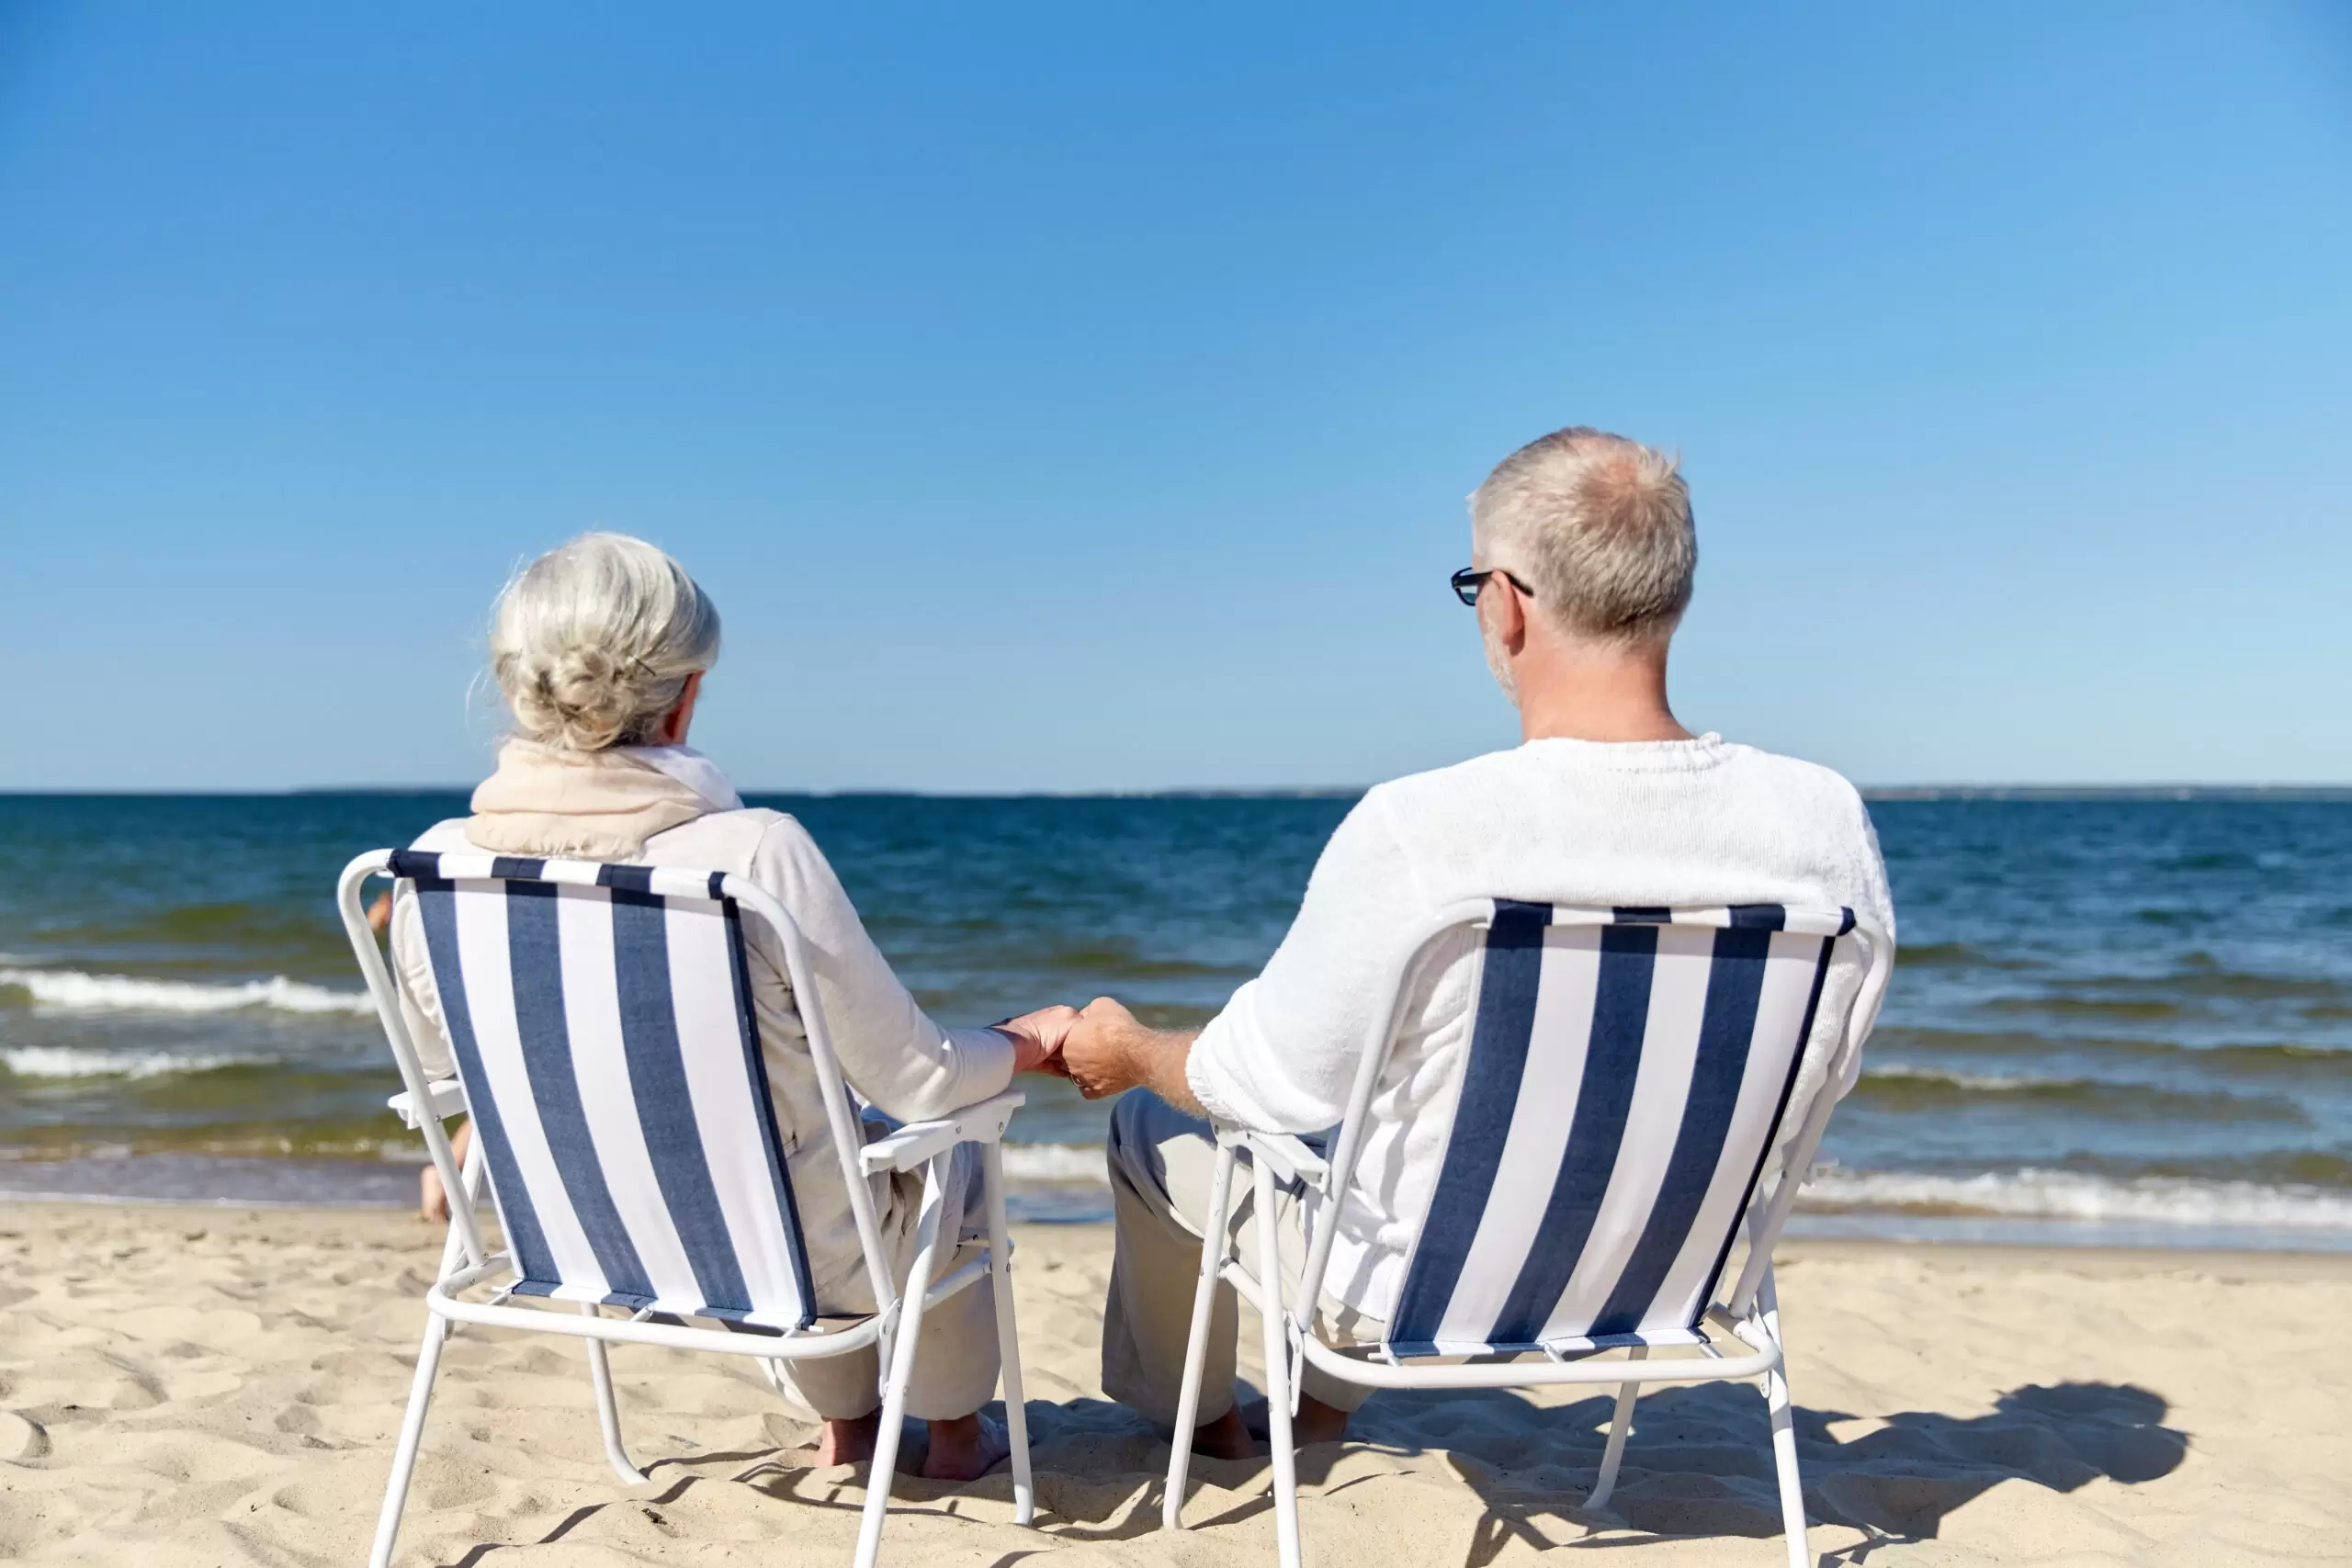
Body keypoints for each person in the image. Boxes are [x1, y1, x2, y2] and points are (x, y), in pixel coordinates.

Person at [1056, 425, 1896, 1457]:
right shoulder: (1821, 820)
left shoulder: (1425, 829)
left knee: (1161, 1129)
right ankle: (1317, 1413)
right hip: (1680, 1277)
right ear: (1670, 595)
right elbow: (1821, 1078)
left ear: (1503, 603)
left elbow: (1261, 1086)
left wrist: (1130, 1049)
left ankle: (1203, 1426)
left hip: (1410, 1296)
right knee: (1406, 1112)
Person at [385, 532, 1075, 1481]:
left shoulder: (431, 872)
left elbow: (448, 1079)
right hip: (784, 1264)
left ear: (515, 689)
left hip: (579, 1243)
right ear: (686, 694)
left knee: (801, 1155)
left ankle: (850, 1428)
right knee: (956, 1141)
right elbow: (920, 1079)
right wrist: (1030, 1041)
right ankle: (956, 1433)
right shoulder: (750, 856)